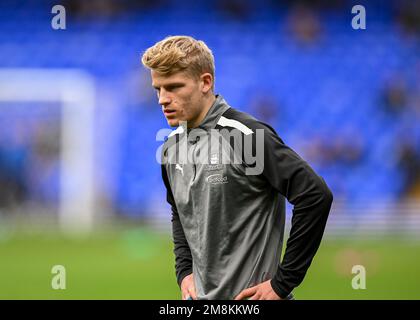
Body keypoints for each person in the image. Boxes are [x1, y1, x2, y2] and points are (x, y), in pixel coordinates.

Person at [141, 35, 333, 300]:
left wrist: (282, 283)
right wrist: (184, 271)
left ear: (205, 82)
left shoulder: (245, 136)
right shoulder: (170, 149)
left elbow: (315, 196)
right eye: (158, 89)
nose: (163, 99)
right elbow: (180, 211)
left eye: (174, 87)